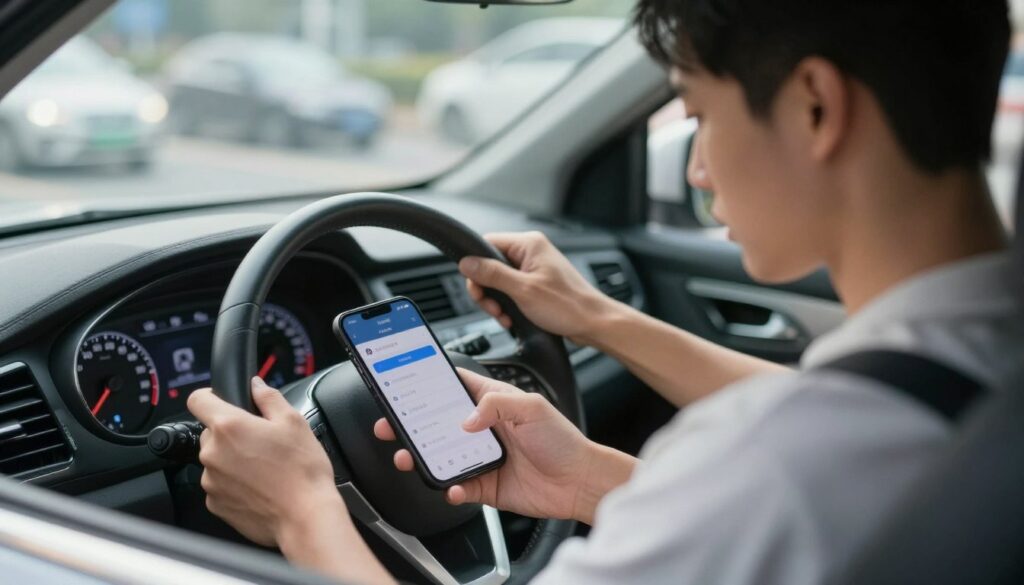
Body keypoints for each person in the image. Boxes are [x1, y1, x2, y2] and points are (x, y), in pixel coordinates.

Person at [186, 1, 1024, 583]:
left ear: (814, 105)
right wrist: (586, 471)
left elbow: (795, 450)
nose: (696, 166)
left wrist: (300, 509)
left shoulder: (773, 466)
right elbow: (860, 411)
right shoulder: (975, 371)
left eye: (698, 113)